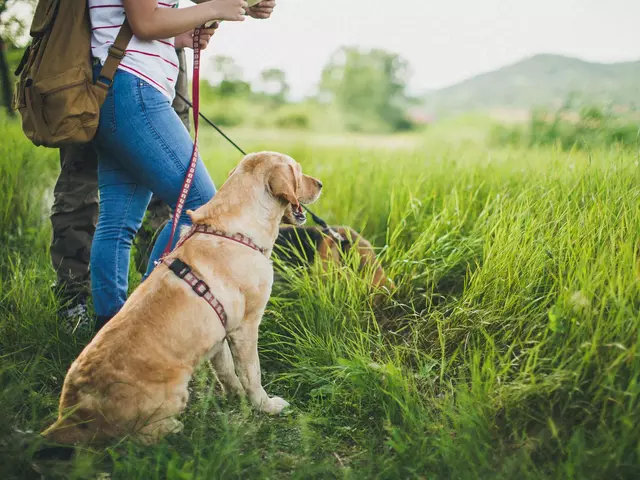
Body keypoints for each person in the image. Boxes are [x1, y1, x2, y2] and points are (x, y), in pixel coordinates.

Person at [80, 0, 277, 331]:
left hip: (120, 87)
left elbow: (137, 24)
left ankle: (111, 332)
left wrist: (180, 37)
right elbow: (145, 22)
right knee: (202, 208)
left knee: (118, 222)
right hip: (134, 89)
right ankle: (143, 322)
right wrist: (215, 6)